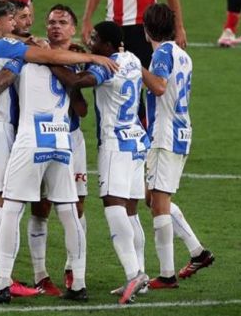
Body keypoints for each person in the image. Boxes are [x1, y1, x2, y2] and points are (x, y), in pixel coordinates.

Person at [0, 0, 117, 300]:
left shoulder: (20, 54)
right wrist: (94, 59)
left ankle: (2, 283)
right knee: (69, 212)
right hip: (60, 140)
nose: (18, 22)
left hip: (30, 140)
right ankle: (79, 283)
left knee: (12, 210)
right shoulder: (66, 57)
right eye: (16, 17)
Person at [51, 21, 150, 305]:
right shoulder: (131, 58)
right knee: (131, 211)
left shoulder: (105, 66)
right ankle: (140, 275)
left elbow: (76, 82)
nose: (90, 40)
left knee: (113, 206)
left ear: (106, 45)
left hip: (115, 144)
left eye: (95, 38)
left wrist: (51, 62)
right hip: (136, 140)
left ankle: (133, 274)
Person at [140, 3, 215, 289]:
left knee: (158, 204)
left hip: (164, 137)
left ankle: (167, 274)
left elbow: (158, 86)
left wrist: (136, 66)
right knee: (152, 198)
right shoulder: (183, 55)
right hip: (181, 132)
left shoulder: (161, 54)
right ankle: (198, 252)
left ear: (147, 30)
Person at [25, 4, 90, 296]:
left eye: (62, 22)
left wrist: (52, 60)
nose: (55, 27)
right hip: (38, 137)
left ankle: (73, 268)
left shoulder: (79, 57)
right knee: (40, 207)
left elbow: (82, 109)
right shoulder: (33, 51)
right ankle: (40, 275)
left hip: (71, 139)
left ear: (73, 28)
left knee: (75, 207)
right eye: (51, 22)